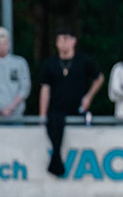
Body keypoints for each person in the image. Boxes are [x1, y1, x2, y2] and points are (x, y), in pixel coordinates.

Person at [37, 28, 103, 177]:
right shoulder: (50, 64)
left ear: (74, 41)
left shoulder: (84, 61)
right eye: (60, 39)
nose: (63, 43)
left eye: (66, 39)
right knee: (55, 129)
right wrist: (42, 114)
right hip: (56, 111)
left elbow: (99, 78)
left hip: (78, 110)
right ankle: (56, 163)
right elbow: (45, 89)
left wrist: (88, 97)